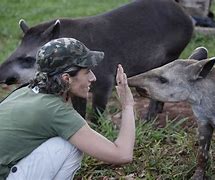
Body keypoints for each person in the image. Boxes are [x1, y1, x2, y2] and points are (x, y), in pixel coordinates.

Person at [0, 38, 135, 180]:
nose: (93, 78)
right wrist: (127, 105)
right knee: (68, 145)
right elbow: (123, 155)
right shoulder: (54, 110)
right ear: (66, 78)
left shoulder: (23, 92)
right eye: (87, 71)